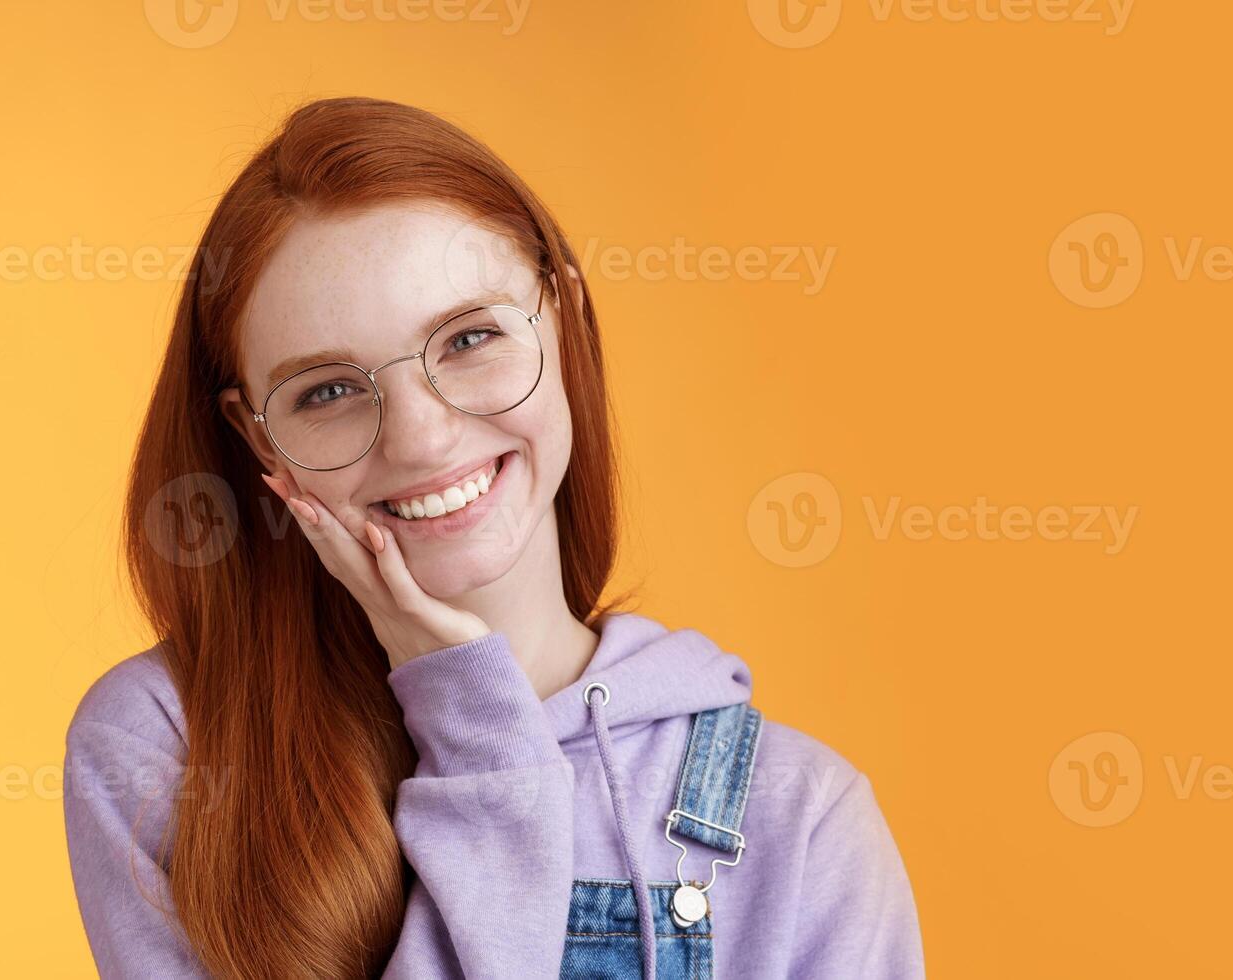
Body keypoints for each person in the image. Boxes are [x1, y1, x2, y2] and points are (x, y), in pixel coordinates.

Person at [66, 96, 925, 979]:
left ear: (566, 320)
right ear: (256, 439)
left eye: (470, 338)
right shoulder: (173, 748)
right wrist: (480, 742)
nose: (421, 438)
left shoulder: (798, 820)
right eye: (325, 390)